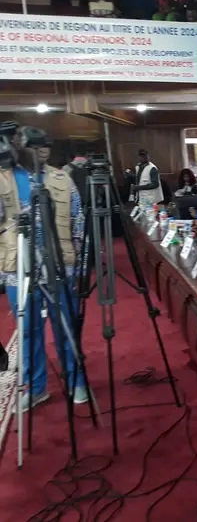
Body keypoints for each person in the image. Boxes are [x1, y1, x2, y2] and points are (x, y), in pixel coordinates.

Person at [0, 132, 87, 410]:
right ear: (17, 147)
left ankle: (75, 380)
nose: (43, 149)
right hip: (18, 267)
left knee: (66, 326)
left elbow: (78, 220)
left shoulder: (62, 178)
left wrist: (81, 265)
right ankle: (36, 387)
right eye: (35, 145)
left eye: (47, 144)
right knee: (29, 331)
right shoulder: (3, 178)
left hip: (59, 264)